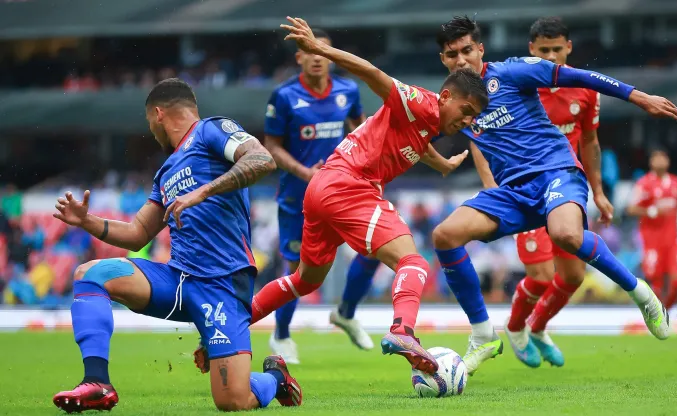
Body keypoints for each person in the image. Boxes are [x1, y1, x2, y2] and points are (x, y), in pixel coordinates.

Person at [431, 15, 677, 375]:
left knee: (566, 238)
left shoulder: (514, 72)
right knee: (444, 235)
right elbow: (408, 132)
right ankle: (485, 334)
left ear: (480, 49)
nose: (461, 60)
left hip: (556, 173)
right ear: (443, 60)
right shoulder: (446, 103)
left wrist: (638, 96)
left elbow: (580, 77)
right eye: (451, 54)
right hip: (513, 193)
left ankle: (641, 294)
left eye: (467, 50)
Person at [249, 16, 487, 375]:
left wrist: (442, 165)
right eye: (465, 112)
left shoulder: (426, 124)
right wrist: (320, 48)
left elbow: (418, 144)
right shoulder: (420, 102)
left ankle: (231, 328)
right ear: (446, 96)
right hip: (349, 184)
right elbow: (373, 74)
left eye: (473, 118)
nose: (467, 121)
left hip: (322, 189)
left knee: (305, 280)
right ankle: (402, 331)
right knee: (415, 262)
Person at [51, 78, 302, 412]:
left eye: (148, 123)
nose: (151, 131)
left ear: (158, 114)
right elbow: (139, 232)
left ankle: (276, 379)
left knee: (232, 401)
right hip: (178, 280)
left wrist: (202, 191)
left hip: (222, 284)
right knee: (91, 274)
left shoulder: (211, 130)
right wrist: (87, 222)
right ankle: (98, 382)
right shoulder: (166, 171)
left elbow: (262, 160)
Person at [502, 17, 614, 368]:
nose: (552, 57)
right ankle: (516, 328)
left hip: (568, 189)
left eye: (557, 49)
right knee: (540, 276)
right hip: (528, 186)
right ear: (531, 50)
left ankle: (537, 327)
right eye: (544, 50)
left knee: (573, 277)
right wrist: (493, 183)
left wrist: (598, 191)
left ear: (569, 48)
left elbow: (590, 141)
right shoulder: (520, 86)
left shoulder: (584, 89)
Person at [263, 27, 378, 363]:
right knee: (300, 269)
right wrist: (305, 172)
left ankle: (345, 311)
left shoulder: (348, 90)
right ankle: (282, 335)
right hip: (297, 197)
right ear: (299, 57)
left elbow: (361, 131)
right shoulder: (283, 96)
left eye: (322, 52)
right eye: (309, 52)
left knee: (374, 247)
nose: (316, 58)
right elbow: (272, 146)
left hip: (343, 191)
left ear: (330, 56)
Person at [627, 148, 677, 310]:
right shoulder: (644, 184)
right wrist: (650, 211)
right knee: (656, 282)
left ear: (668, 161)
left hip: (672, 239)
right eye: (657, 157)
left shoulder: (675, 182)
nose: (660, 161)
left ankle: (665, 311)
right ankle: (658, 316)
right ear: (651, 162)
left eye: (663, 157)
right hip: (652, 240)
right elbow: (630, 208)